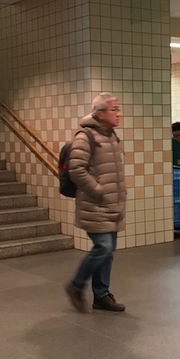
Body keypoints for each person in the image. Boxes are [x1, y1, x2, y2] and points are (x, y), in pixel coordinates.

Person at [64, 93, 127, 312]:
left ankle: (101, 295)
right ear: (100, 113)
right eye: (114, 109)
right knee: (104, 247)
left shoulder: (111, 135)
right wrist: (98, 191)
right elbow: (77, 170)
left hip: (112, 205)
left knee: (108, 252)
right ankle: (76, 285)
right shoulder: (85, 136)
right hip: (95, 205)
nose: (118, 114)